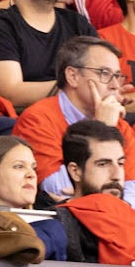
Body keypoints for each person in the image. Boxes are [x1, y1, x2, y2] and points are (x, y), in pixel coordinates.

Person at [14, 36, 135, 187]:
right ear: (73, 76)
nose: (115, 85)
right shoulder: (37, 119)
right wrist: (101, 129)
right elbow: (58, 187)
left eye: (117, 76)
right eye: (104, 73)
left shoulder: (120, 126)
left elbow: (131, 192)